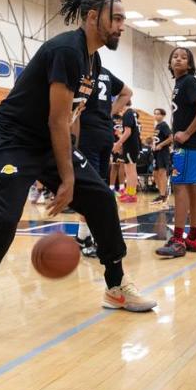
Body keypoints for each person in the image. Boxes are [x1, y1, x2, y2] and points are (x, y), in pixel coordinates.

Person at [0, 0, 155, 345]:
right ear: (91, 17)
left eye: (122, 20)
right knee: (5, 218)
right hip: (12, 141)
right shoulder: (67, 51)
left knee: (100, 197)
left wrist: (73, 167)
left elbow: (69, 119)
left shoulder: (92, 61)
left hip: (47, 142)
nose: (121, 26)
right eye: (115, 18)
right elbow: (56, 119)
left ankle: (116, 286)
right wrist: (66, 179)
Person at [155, 47, 196, 258]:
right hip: (192, 144)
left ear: (189, 64)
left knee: (180, 188)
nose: (178, 59)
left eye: (184, 57)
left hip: (192, 142)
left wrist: (187, 133)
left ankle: (178, 239)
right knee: (191, 189)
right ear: (170, 63)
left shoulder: (189, 81)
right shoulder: (179, 84)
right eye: (175, 56)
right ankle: (194, 238)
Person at [78, 66, 131, 254]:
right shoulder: (106, 72)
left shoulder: (80, 68)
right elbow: (127, 92)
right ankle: (84, 236)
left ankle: (87, 237)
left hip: (88, 132)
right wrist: (109, 112)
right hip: (105, 133)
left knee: (93, 190)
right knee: (97, 188)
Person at [113, 100, 140, 203]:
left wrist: (118, 143)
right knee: (130, 170)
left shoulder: (127, 113)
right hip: (132, 145)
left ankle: (131, 194)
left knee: (130, 171)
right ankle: (130, 192)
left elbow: (128, 132)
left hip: (131, 146)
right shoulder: (132, 113)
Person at [151, 107, 172, 204]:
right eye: (155, 113)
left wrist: (160, 145)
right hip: (156, 153)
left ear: (163, 115)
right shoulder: (157, 126)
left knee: (162, 173)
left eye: (158, 113)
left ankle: (162, 195)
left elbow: (170, 138)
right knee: (155, 174)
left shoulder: (164, 125)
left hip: (163, 152)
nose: (156, 115)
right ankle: (162, 192)